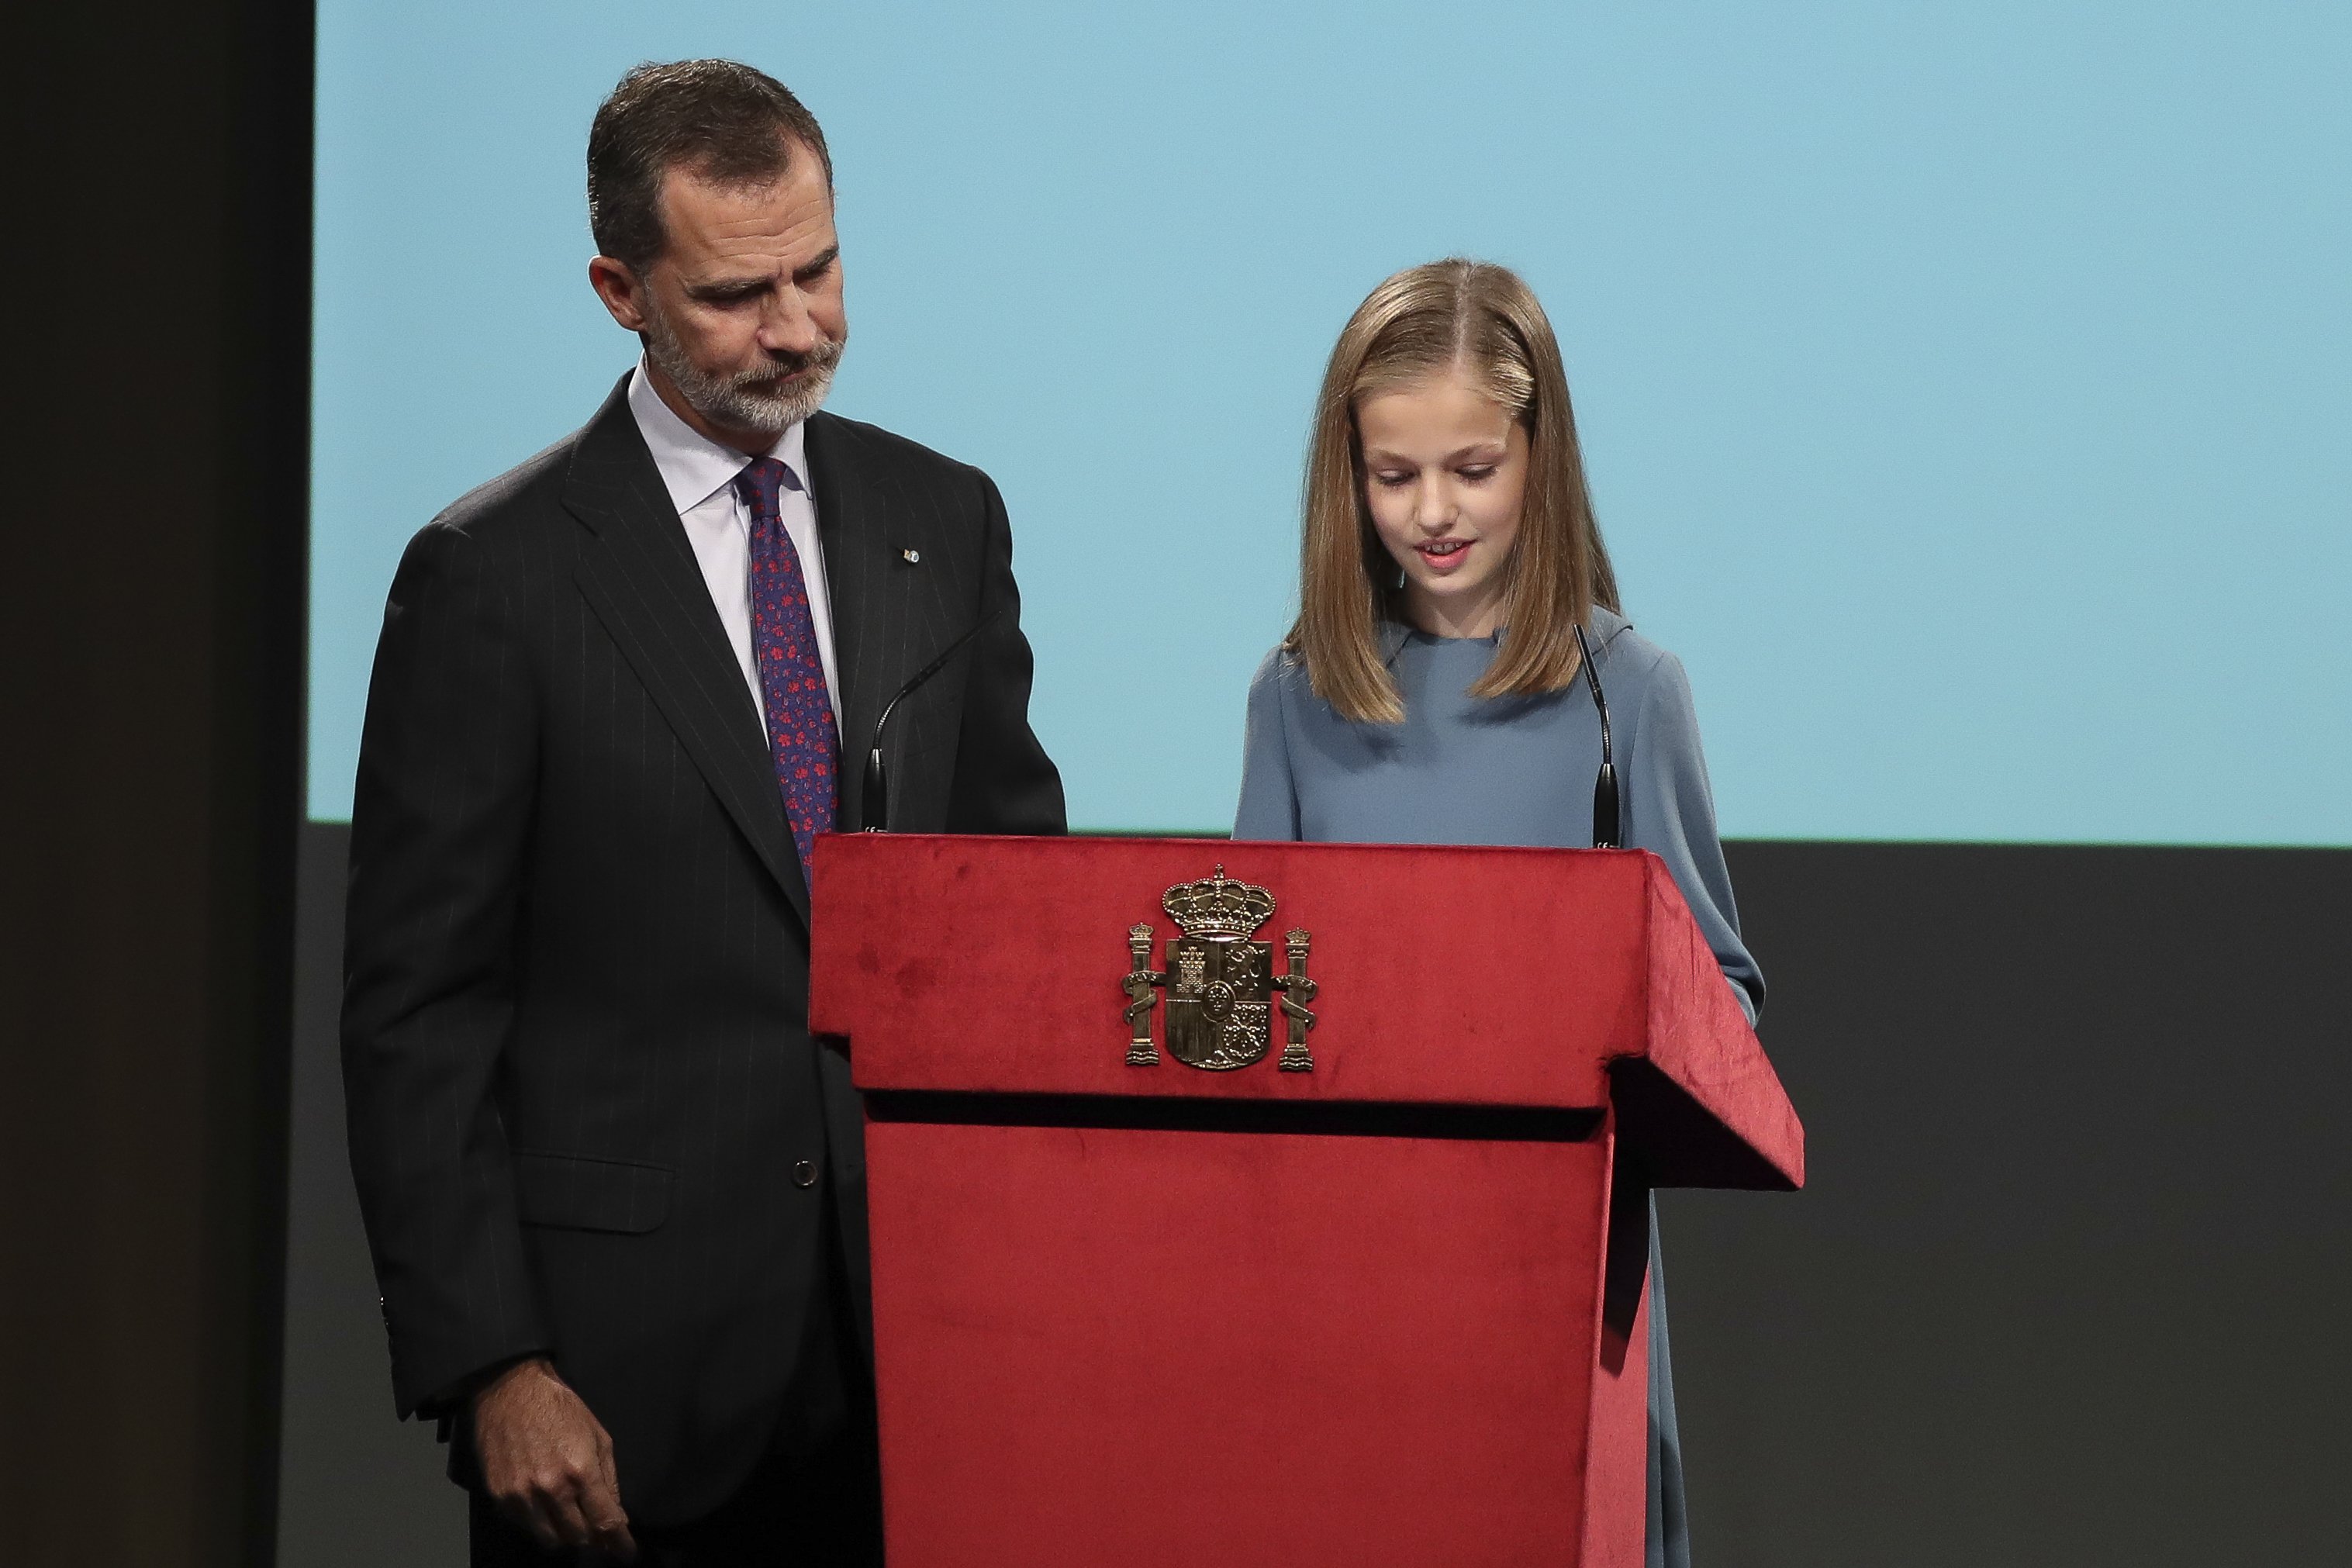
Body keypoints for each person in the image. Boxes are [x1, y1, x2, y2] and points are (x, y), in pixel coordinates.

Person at [342, 59, 1065, 1566]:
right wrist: (494, 1369)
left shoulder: (946, 520)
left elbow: (1015, 921)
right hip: (619, 1396)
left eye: (819, 268)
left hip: (918, 1364)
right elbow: (420, 1012)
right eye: (741, 292)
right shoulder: (494, 573)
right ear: (621, 288)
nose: (799, 327)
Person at [1233, 258, 1762, 1568]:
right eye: (1393, 473)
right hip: (1346, 1292)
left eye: (1472, 468)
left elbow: (1722, 1007)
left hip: (1556, 1288)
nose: (1432, 511)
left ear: (1540, 454)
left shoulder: (1625, 692)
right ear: (1343, 477)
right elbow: (1241, 1000)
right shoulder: (1297, 693)